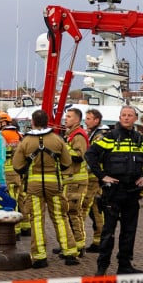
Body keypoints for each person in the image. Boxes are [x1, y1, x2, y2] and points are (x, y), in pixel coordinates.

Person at [84, 105, 143, 276]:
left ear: (135, 119)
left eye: (129, 115)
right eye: (123, 115)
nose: (126, 118)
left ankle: (124, 265)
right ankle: (102, 267)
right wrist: (102, 176)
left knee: (129, 231)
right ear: (119, 117)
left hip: (132, 192)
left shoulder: (139, 139)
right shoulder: (110, 137)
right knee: (108, 231)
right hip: (113, 192)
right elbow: (90, 155)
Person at [12, 110, 79, 268]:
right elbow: (66, 163)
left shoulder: (26, 141)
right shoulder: (57, 139)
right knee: (60, 218)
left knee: (36, 220)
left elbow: (17, 165)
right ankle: (69, 253)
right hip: (54, 186)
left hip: (34, 187)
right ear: (47, 121)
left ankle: (40, 257)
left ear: (33, 122)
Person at [61, 107, 90, 254]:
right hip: (70, 180)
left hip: (76, 180)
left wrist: (63, 147)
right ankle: (73, 243)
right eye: (66, 116)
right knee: (70, 213)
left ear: (77, 119)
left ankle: (78, 245)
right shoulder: (71, 134)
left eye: (69, 116)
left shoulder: (78, 135)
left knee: (73, 213)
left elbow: (79, 156)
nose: (65, 119)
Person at [81, 109, 110, 252]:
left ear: (96, 120)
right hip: (96, 176)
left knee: (83, 207)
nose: (86, 121)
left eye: (88, 118)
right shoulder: (96, 134)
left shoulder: (100, 136)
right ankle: (99, 241)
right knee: (96, 209)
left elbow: (93, 155)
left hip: (94, 176)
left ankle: (77, 241)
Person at [0, 112, 29, 237]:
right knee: (22, 199)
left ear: (3, 122)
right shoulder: (19, 135)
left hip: (8, 173)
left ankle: (15, 230)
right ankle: (26, 226)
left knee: (12, 200)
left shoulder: (1, 135)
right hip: (19, 172)